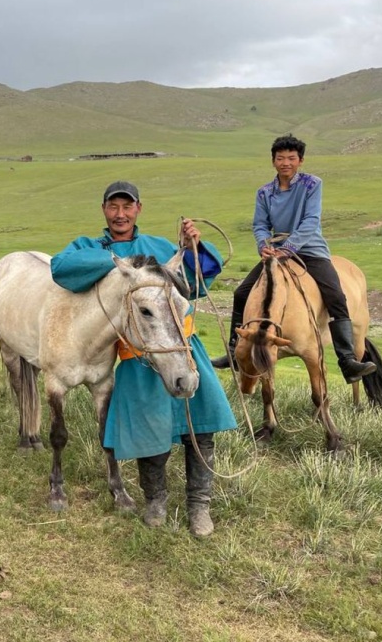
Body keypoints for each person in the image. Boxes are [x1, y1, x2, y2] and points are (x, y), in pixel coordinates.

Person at [49, 182, 237, 537]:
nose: (120, 214)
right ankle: (155, 501)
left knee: (200, 427)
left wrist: (193, 247)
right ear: (104, 209)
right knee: (150, 430)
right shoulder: (90, 247)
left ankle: (199, 506)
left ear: (138, 209)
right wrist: (120, 264)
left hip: (182, 346)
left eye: (127, 207)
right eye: (113, 207)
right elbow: (61, 267)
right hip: (137, 356)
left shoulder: (159, 247)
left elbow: (197, 283)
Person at [210, 134, 376, 383]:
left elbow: (311, 221)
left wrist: (288, 248)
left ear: (300, 161)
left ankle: (347, 360)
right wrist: (263, 246)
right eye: (280, 158)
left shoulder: (312, 184)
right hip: (275, 252)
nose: (285, 163)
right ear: (273, 161)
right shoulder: (264, 192)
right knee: (241, 293)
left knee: (336, 296)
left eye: (291, 158)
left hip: (311, 250)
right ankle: (235, 351)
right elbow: (260, 224)